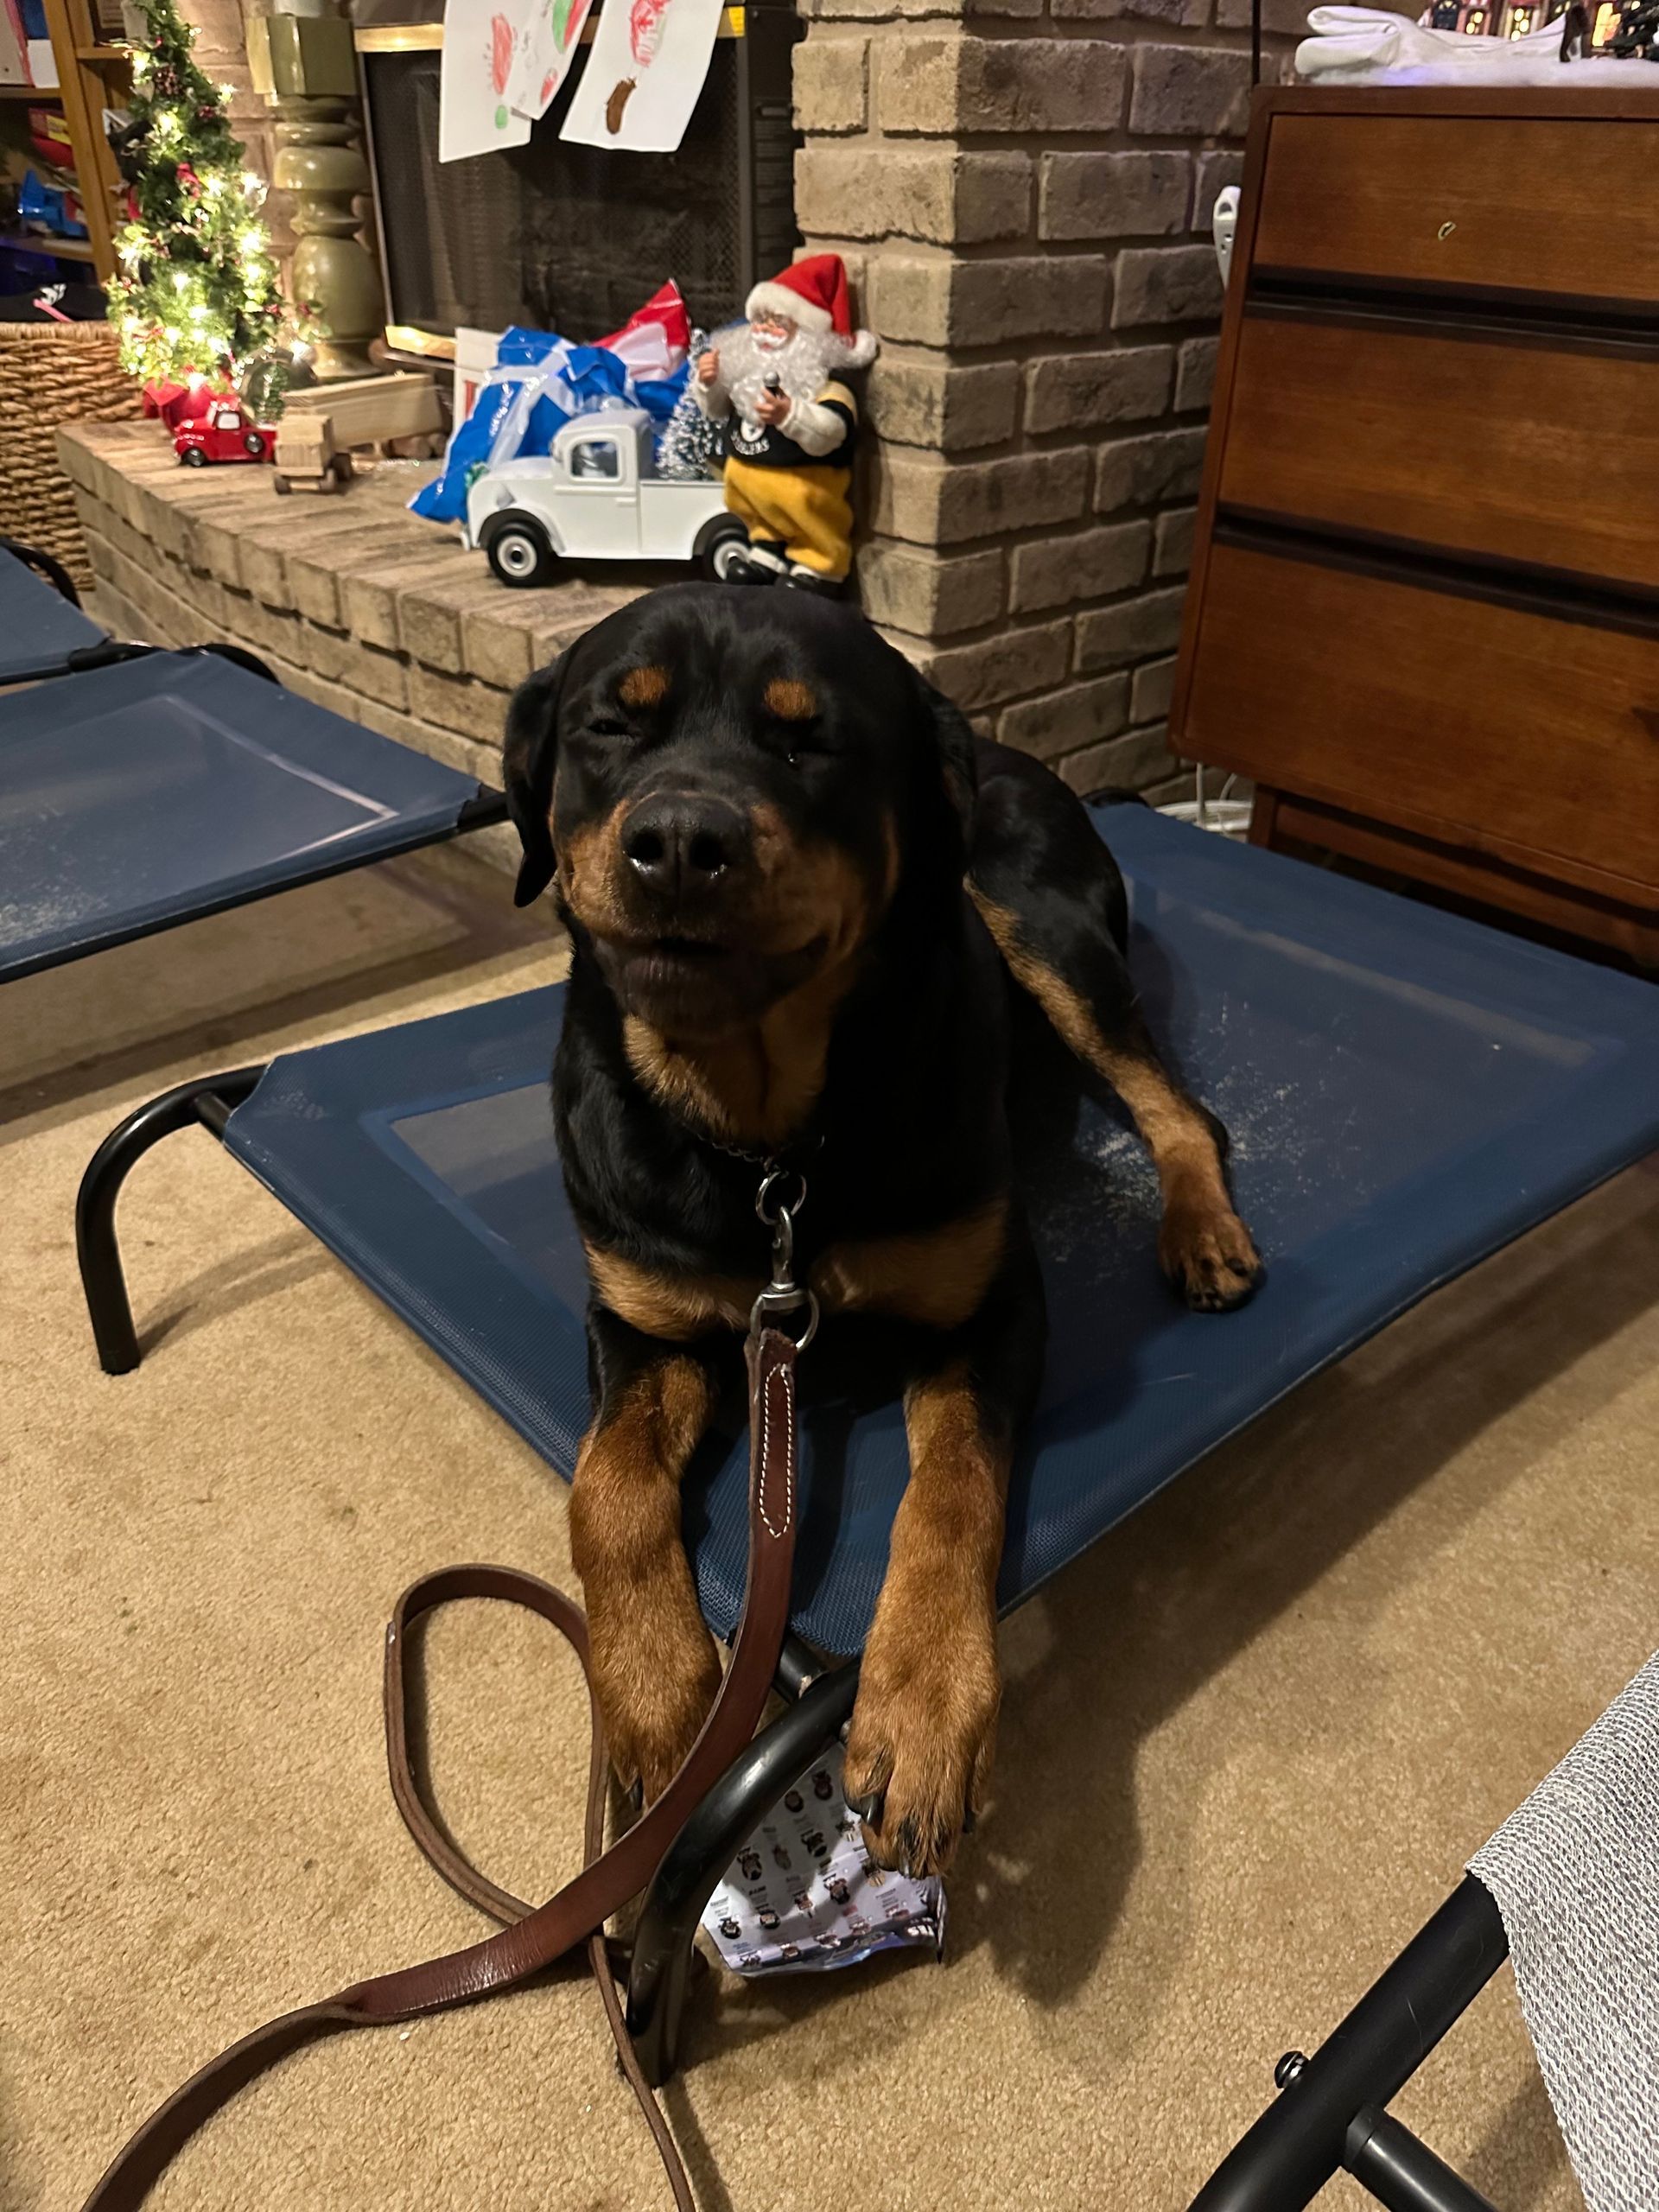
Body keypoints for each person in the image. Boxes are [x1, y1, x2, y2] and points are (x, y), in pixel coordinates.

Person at [693, 252, 876, 593]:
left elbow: (831, 432)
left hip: (807, 498)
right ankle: (767, 551)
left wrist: (790, 415)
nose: (763, 331)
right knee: (760, 509)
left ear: (809, 335)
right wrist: (709, 383)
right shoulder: (746, 377)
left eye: (778, 322)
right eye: (758, 320)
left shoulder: (829, 389)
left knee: (810, 517)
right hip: (755, 502)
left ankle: (818, 566)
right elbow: (716, 410)